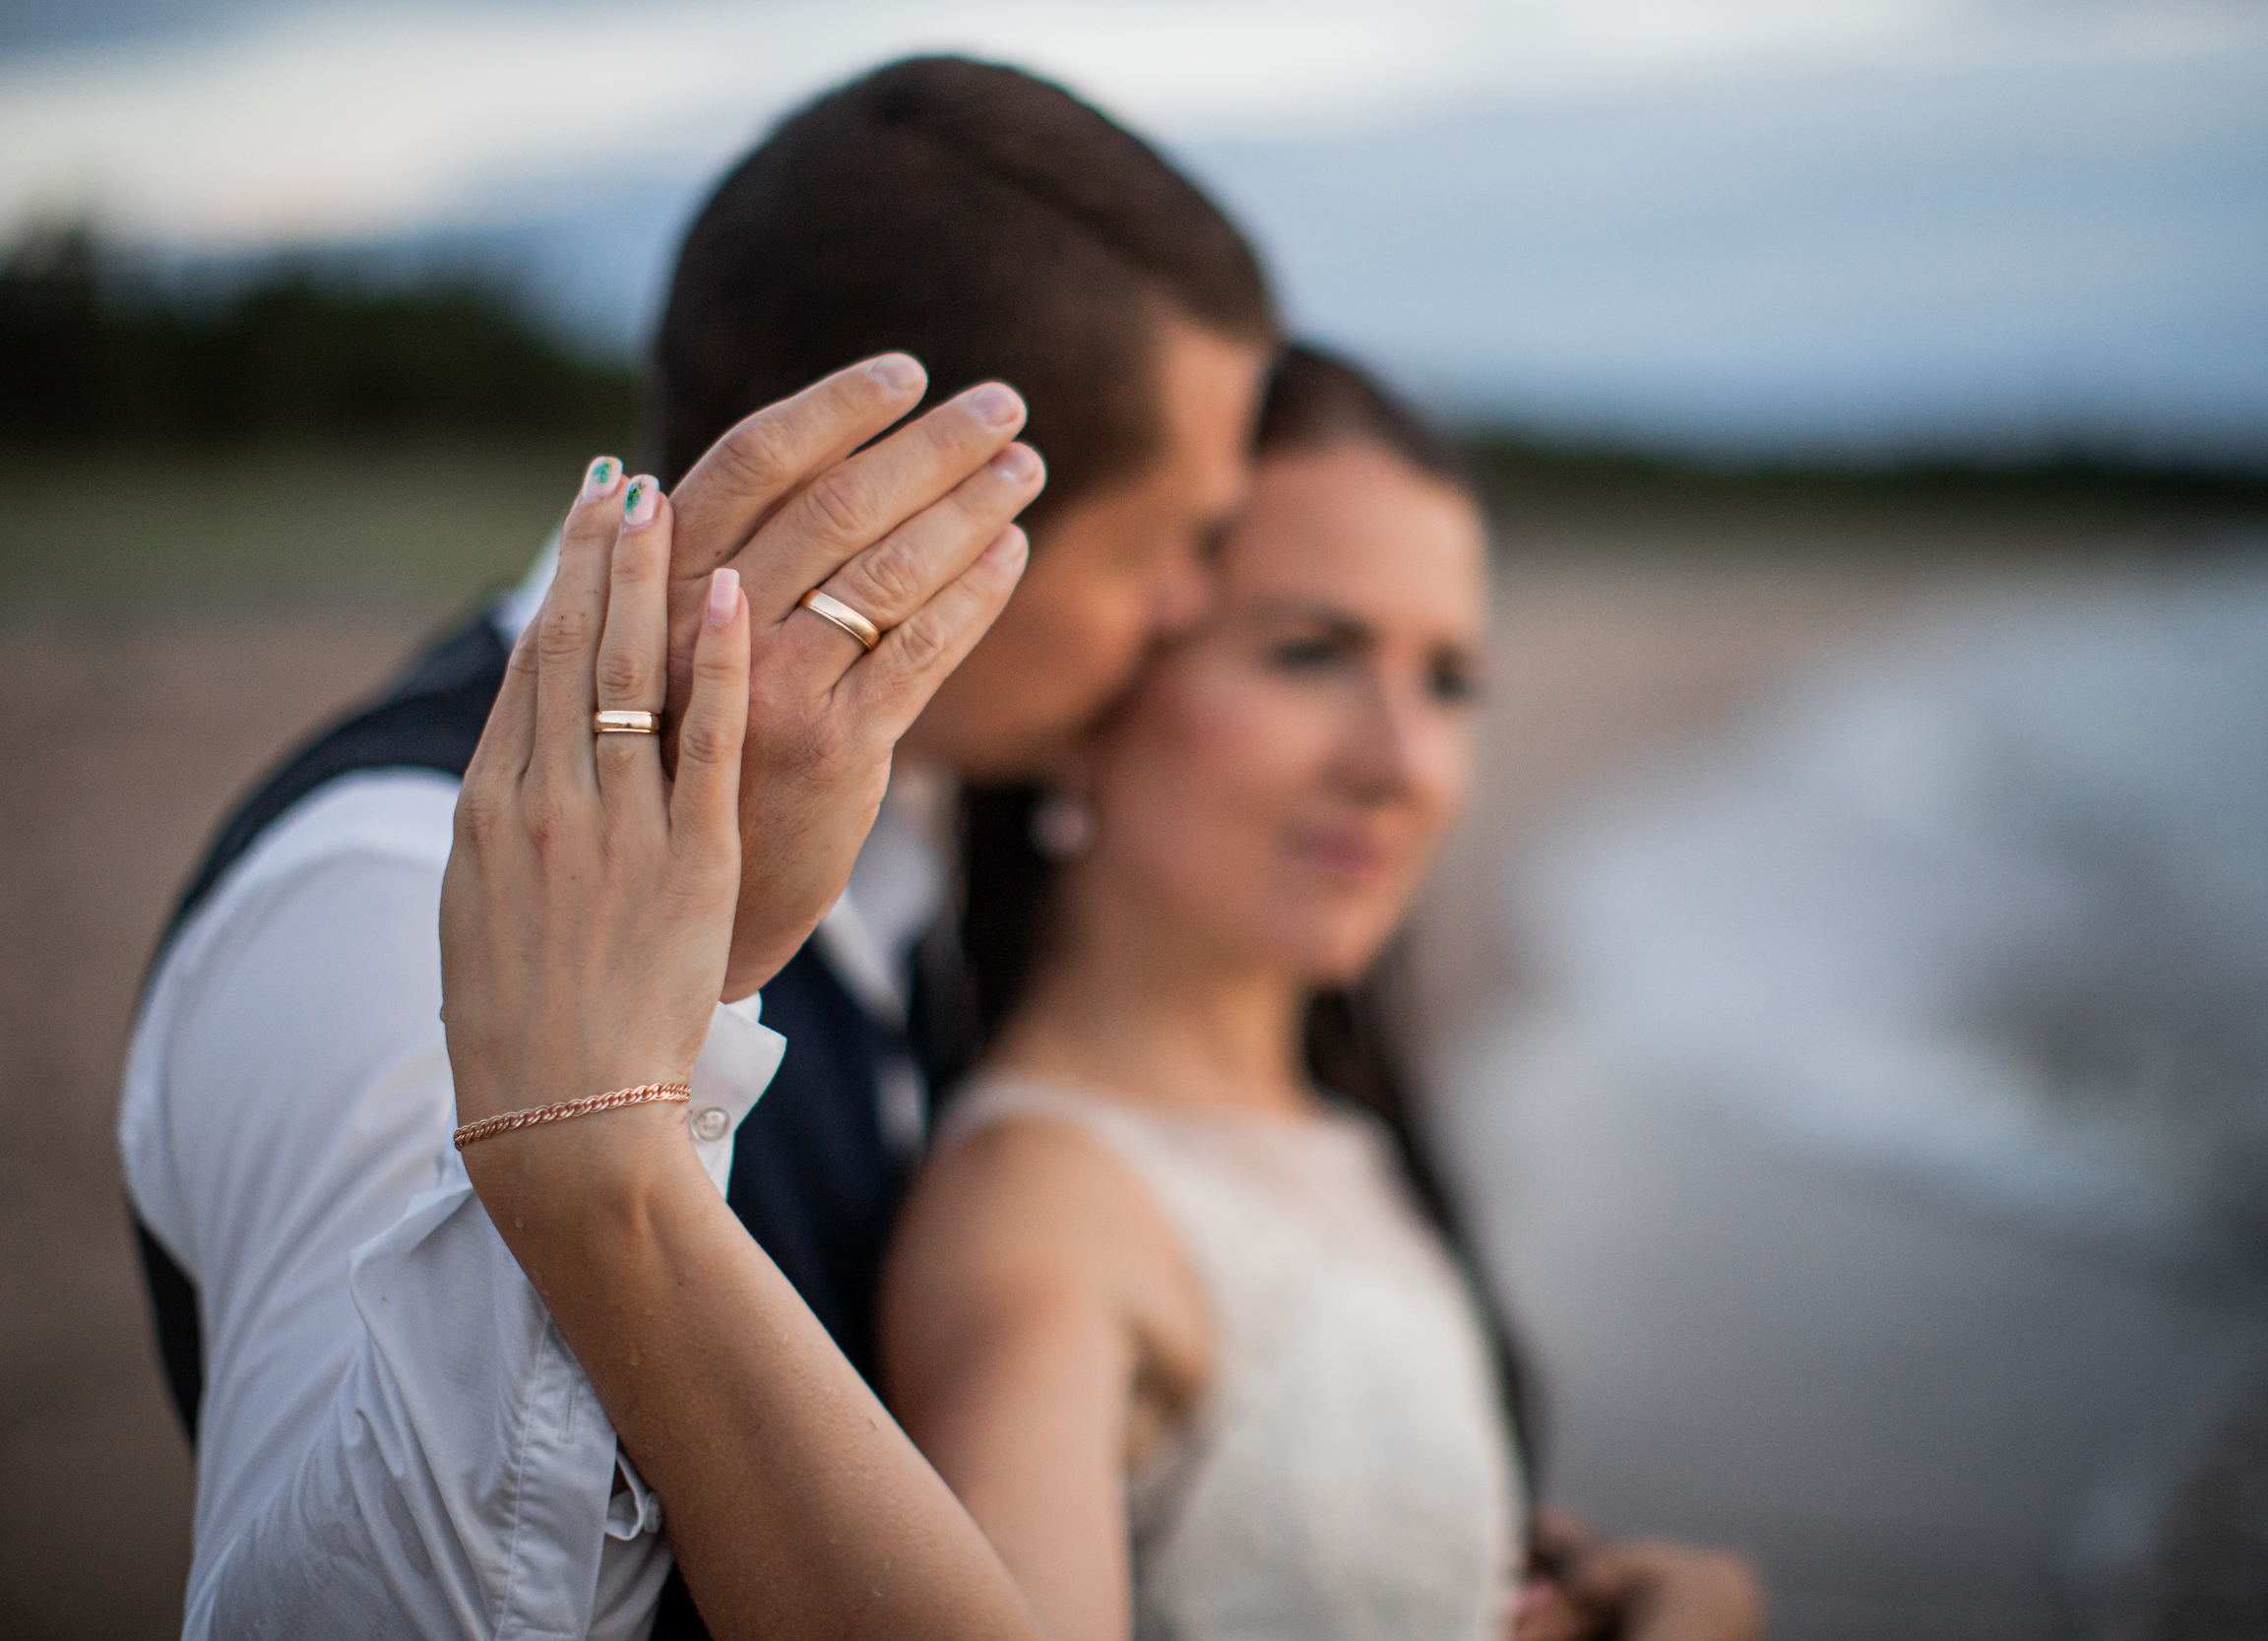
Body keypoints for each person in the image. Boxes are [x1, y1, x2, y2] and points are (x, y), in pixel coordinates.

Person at [121, 56, 1274, 1638]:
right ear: (899, 519)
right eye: (1167, 549)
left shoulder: (882, 849)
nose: (1190, 616)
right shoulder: (390, 903)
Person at [435, 344, 1767, 1640]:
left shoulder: (1333, 1124)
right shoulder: (1045, 1211)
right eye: (1310, 654)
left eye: (1450, 679)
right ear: (1083, 698)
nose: (1403, 761)